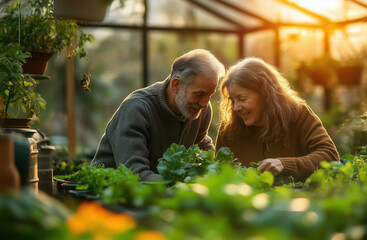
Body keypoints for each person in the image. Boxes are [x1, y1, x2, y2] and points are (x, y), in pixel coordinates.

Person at [91, 49, 225, 181]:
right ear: (176, 85)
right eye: (199, 94)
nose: (205, 103)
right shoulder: (137, 109)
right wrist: (184, 187)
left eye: (210, 95)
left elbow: (200, 144)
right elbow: (135, 175)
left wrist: (219, 172)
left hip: (158, 194)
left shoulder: (201, 111)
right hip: (108, 194)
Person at [216, 58, 339, 183]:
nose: (236, 107)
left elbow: (330, 157)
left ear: (265, 94)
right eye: (232, 101)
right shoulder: (228, 128)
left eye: (242, 99)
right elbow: (218, 174)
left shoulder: (299, 115)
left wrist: (285, 165)